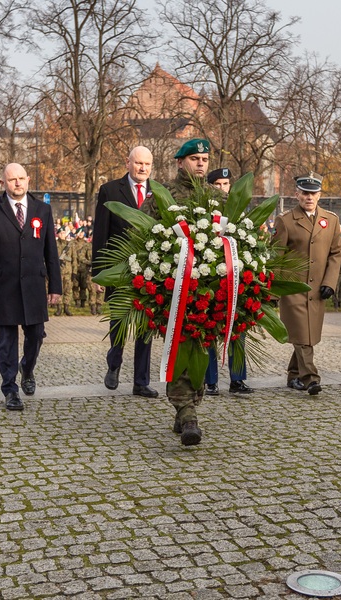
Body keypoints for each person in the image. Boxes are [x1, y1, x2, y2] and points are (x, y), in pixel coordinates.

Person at [140, 138, 212, 446]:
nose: (200, 163)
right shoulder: (162, 195)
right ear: (180, 162)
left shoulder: (215, 197)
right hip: (173, 288)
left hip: (208, 289)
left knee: (201, 349)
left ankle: (187, 405)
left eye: (204, 159)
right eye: (194, 158)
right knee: (180, 347)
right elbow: (141, 233)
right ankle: (187, 414)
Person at [0, 163, 62, 411]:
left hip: (34, 285)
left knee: (36, 335)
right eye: (12, 179)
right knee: (6, 341)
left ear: (28, 179)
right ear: (2, 183)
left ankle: (28, 367)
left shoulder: (42, 210)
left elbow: (51, 251)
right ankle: (10, 389)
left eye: (21, 178)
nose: (17, 183)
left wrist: (55, 286)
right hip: (3, 287)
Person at [92, 146, 158, 398]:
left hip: (151, 270)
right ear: (128, 163)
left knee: (145, 326)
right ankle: (115, 361)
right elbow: (100, 233)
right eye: (138, 163)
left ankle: (141, 381)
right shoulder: (110, 190)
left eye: (147, 164)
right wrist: (99, 272)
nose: (143, 168)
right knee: (119, 320)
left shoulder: (158, 192)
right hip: (119, 267)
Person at [272, 173, 341, 396]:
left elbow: (336, 253)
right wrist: (273, 289)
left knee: (307, 334)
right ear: (297, 195)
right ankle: (311, 378)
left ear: (320, 195)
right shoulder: (285, 221)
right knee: (303, 333)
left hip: (318, 289)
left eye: (313, 193)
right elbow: (277, 255)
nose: (309, 197)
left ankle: (294, 374)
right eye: (304, 193)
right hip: (292, 287)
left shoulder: (331, 220)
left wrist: (330, 282)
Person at [204, 167, 253, 395]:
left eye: (226, 184)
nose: (223, 189)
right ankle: (210, 381)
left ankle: (237, 380)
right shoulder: (203, 212)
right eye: (218, 185)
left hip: (236, 280)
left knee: (237, 330)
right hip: (210, 280)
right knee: (209, 331)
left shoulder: (241, 212)